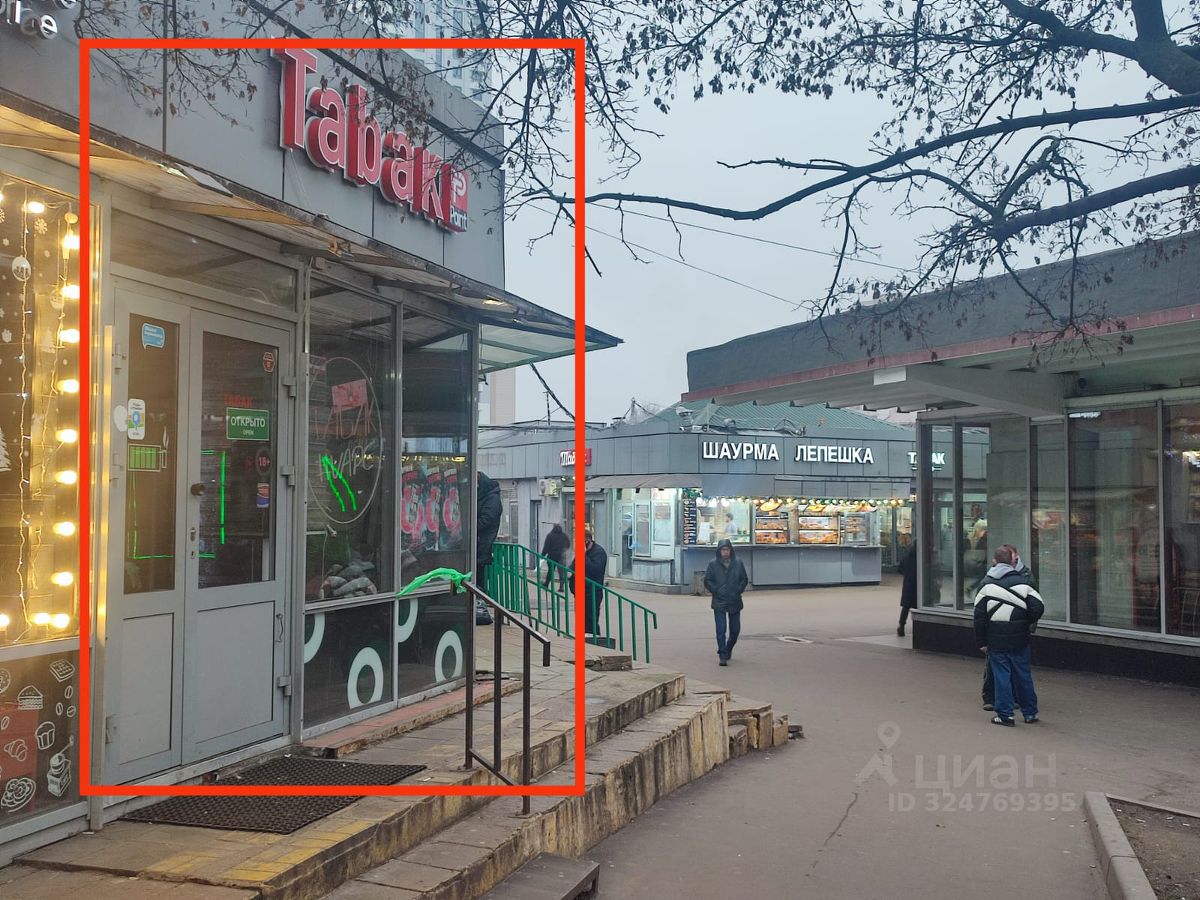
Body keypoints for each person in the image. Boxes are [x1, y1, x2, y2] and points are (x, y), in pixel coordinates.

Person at [974, 545, 1044, 726]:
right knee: (1023, 674)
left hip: (995, 639)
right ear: (1013, 561)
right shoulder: (1024, 583)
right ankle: (1030, 713)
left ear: (995, 561)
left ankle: (1005, 715)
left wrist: (981, 641)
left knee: (1001, 675)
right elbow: (1038, 607)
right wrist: (1024, 622)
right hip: (1020, 638)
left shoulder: (986, 585)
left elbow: (979, 617)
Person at [981, 544, 1035, 709]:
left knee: (1003, 669)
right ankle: (1023, 708)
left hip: (1003, 631)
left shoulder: (993, 578)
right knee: (1010, 669)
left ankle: (1005, 706)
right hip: (1010, 630)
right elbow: (1036, 606)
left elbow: (980, 610)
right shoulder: (1022, 577)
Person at [704, 538, 748, 666]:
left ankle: (728, 648)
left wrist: (738, 590)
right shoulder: (713, 564)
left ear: (731, 550)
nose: (725, 552)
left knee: (735, 631)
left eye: (727, 549)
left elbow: (744, 579)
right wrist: (716, 590)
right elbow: (707, 580)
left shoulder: (738, 563)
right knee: (721, 630)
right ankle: (722, 654)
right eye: (723, 549)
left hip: (735, 600)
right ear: (719, 551)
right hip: (719, 601)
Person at [569, 527, 608, 636]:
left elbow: (595, 569)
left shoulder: (599, 552)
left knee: (591, 620)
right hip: (580, 591)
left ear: (587, 541)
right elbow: (573, 567)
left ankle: (595, 639)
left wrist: (583, 555)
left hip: (592, 592)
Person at [475, 472, 503, 623]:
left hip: (482, 546)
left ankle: (481, 610)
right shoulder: (485, 497)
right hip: (479, 544)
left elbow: (486, 520)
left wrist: (470, 528)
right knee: (477, 578)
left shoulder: (492, 499)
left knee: (479, 579)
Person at [540, 523, 570, 590]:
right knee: (561, 572)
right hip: (561, 556)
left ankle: (546, 584)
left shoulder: (550, 535)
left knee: (550, 571)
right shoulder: (564, 536)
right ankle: (561, 587)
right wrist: (563, 550)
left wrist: (543, 555)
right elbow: (568, 544)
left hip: (552, 556)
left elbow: (546, 547)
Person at [897, 541, 918, 637]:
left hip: (908, 584)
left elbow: (900, 569)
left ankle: (901, 625)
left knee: (906, 606)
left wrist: (907, 574)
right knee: (920, 606)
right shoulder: (922, 557)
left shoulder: (907, 557)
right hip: (919, 584)